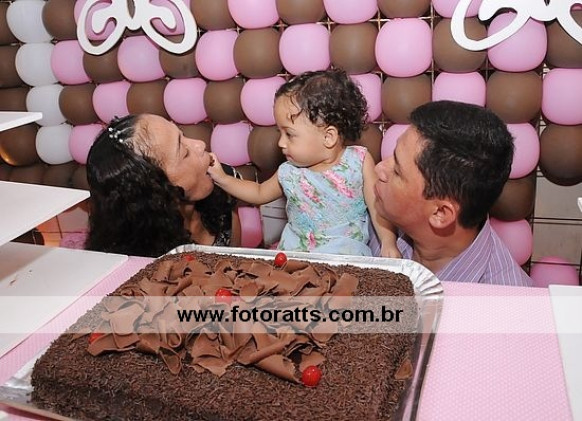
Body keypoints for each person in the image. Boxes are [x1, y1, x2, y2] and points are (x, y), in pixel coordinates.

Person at [208, 69, 400, 257]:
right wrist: (223, 179)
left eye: (289, 134)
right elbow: (258, 193)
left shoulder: (358, 161)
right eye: (280, 133)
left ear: (328, 137)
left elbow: (378, 207)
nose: (281, 143)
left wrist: (388, 242)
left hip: (346, 256)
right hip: (297, 256)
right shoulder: (289, 172)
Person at [374, 100, 533, 286]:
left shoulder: (501, 298)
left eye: (397, 171)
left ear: (440, 213)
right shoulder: (369, 218)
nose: (379, 169)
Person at [85, 114, 241, 257]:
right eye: (184, 152)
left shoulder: (225, 187)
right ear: (157, 188)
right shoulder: (137, 257)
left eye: (183, 135)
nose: (200, 144)